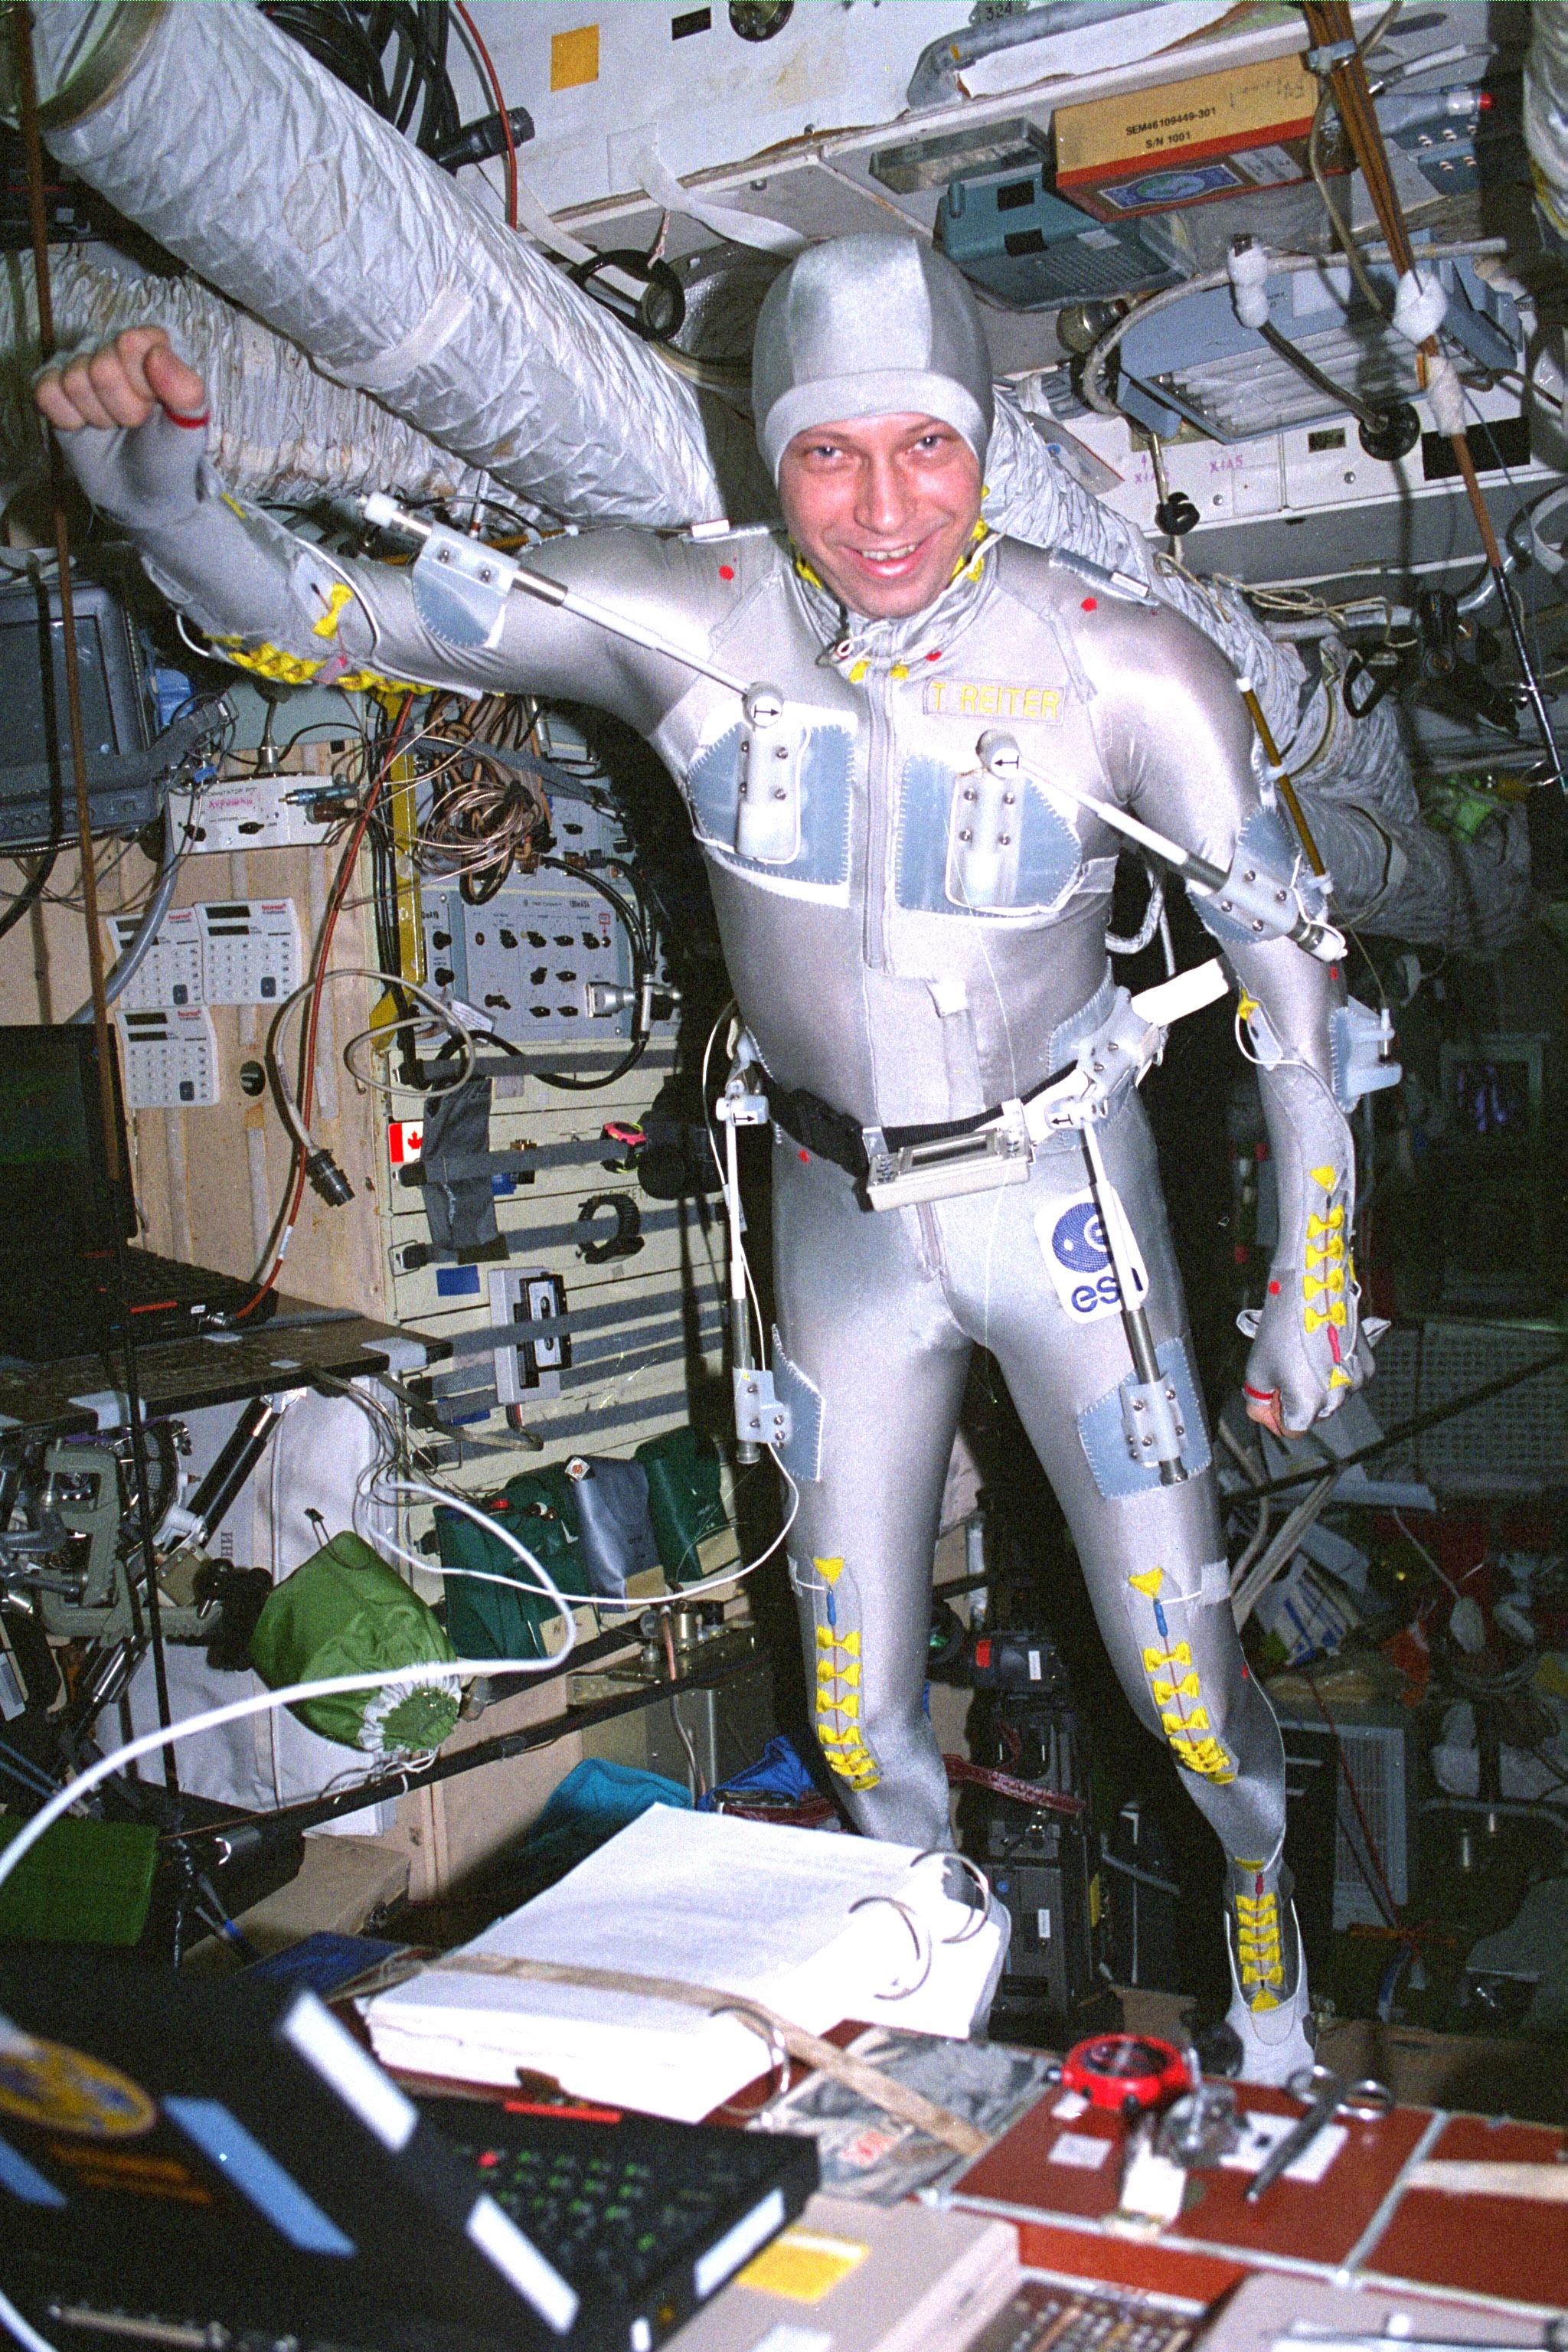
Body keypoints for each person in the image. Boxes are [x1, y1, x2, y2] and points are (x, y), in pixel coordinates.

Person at [38, 232, 1376, 2082]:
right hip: (836, 1219)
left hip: (1060, 1201)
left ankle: (1261, 1919)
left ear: (983, 443)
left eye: (927, 444)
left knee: (1187, 1698)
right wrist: (164, 516)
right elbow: (341, 620)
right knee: (854, 1712)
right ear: (771, 452)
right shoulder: (680, 610)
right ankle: (929, 2011)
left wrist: (1315, 1276)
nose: (883, 508)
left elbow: (1294, 977)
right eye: (830, 452)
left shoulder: (1127, 663)